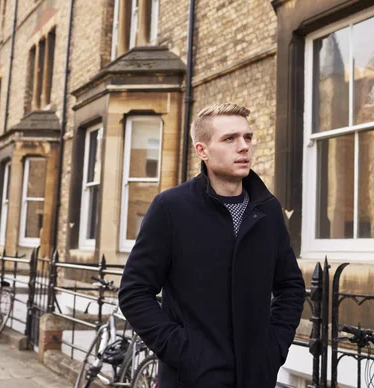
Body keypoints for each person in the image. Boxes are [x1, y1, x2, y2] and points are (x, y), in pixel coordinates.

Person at [118, 103, 306, 388]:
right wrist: (185, 352)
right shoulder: (171, 208)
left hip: (255, 378)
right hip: (190, 379)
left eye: (248, 137)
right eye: (230, 139)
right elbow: (134, 292)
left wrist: (273, 348)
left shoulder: (268, 210)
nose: (243, 147)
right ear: (202, 150)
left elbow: (290, 287)